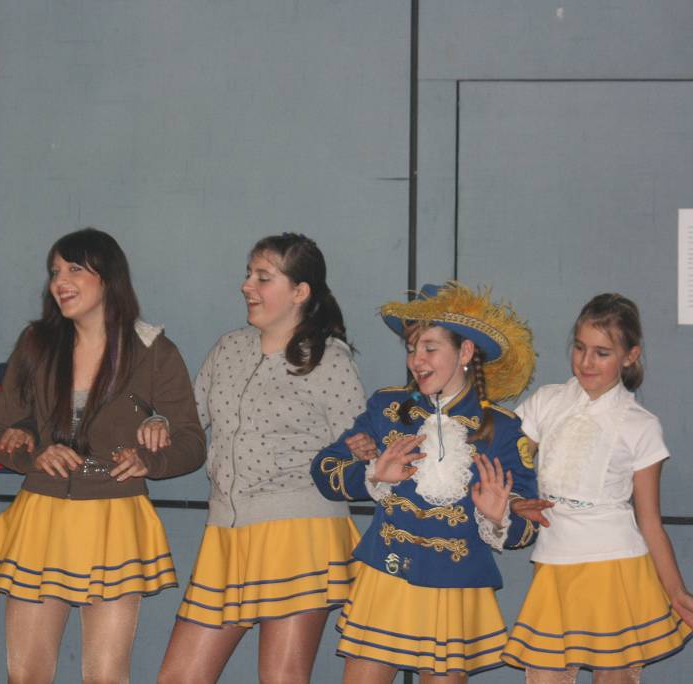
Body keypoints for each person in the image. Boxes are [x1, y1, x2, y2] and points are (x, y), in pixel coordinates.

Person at [0, 227, 205, 684]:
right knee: (26, 675)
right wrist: (31, 453)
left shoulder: (153, 350)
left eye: (74, 268)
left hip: (115, 518)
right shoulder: (36, 343)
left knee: (106, 675)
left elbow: (192, 441)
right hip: (40, 516)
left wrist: (150, 461)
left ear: (108, 277)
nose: (60, 281)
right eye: (55, 271)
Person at [158, 233, 366, 684]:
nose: (247, 285)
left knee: (281, 677)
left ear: (300, 291)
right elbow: (186, 423)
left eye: (263, 277)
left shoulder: (329, 359)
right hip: (226, 534)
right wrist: (154, 423)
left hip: (299, 533)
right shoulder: (228, 348)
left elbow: (357, 451)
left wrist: (377, 463)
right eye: (248, 274)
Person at [311, 281, 540, 683]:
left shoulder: (503, 430)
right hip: (386, 576)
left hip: (454, 587)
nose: (416, 360)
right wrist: (372, 475)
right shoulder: (386, 407)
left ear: (465, 352)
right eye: (412, 348)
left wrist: (500, 516)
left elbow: (528, 521)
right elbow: (325, 469)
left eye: (430, 348)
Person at [501, 293, 693, 683]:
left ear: (630, 356)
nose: (586, 362)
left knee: (614, 676)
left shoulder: (641, 424)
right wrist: (513, 501)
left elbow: (649, 520)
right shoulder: (546, 401)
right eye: (579, 347)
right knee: (544, 675)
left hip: (616, 567)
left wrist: (676, 591)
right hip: (554, 562)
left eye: (602, 353)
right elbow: (505, 462)